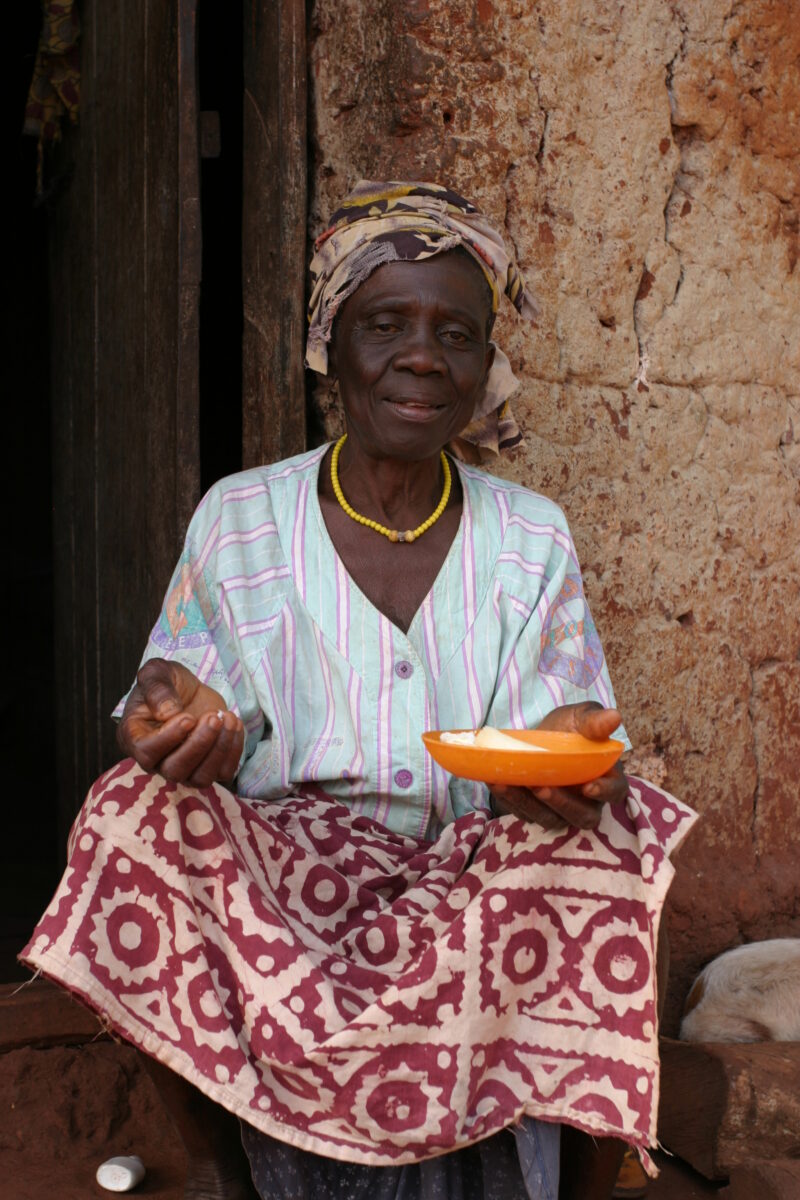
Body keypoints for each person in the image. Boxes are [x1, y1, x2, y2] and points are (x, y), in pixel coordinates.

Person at [23, 182, 696, 1200]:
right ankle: (222, 1172)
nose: (423, 356)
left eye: (455, 335)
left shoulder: (527, 534)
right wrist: (165, 717)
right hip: (286, 893)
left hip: (470, 883)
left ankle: (576, 1180)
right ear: (330, 344)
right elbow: (169, 695)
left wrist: (570, 758)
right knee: (132, 813)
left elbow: (568, 730)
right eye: (385, 325)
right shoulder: (242, 518)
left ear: (484, 365)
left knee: (617, 831)